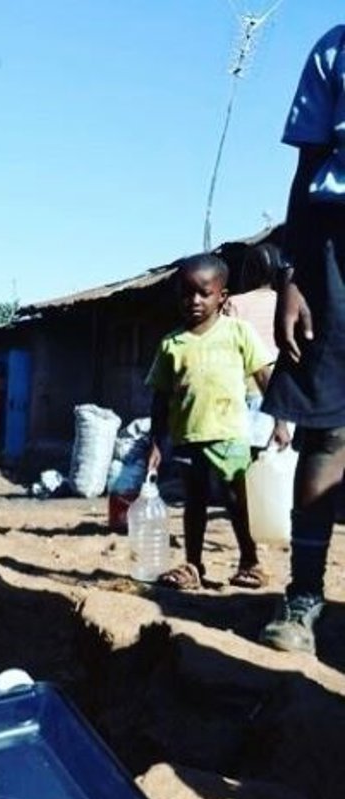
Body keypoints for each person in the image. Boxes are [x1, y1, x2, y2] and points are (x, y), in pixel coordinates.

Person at [259, 24, 345, 654]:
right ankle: (304, 598)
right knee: (328, 428)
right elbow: (307, 165)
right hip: (332, 248)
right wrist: (292, 273)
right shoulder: (333, 49)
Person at [146, 252, 280, 591]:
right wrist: (155, 443)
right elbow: (160, 397)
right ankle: (193, 564)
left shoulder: (238, 332)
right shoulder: (171, 344)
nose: (193, 300)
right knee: (195, 501)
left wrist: (280, 420)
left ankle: (250, 561)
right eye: (186, 293)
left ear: (222, 296)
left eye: (203, 293)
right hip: (187, 435)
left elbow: (264, 377)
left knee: (236, 501)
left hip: (231, 434)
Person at [225, 242, 289, 455]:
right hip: (286, 391)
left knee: (246, 464)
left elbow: (228, 352)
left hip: (249, 389)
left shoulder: (234, 304)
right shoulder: (288, 304)